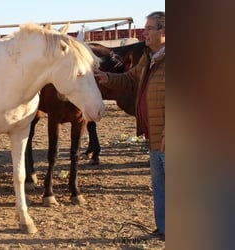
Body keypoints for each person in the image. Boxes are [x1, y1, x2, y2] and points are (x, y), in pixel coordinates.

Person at [94, 11, 165, 239]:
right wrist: (107, 78)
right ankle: (164, 229)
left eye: (149, 29)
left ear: (165, 33)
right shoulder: (149, 58)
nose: (144, 32)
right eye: (145, 28)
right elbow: (130, 79)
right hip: (153, 136)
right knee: (161, 189)